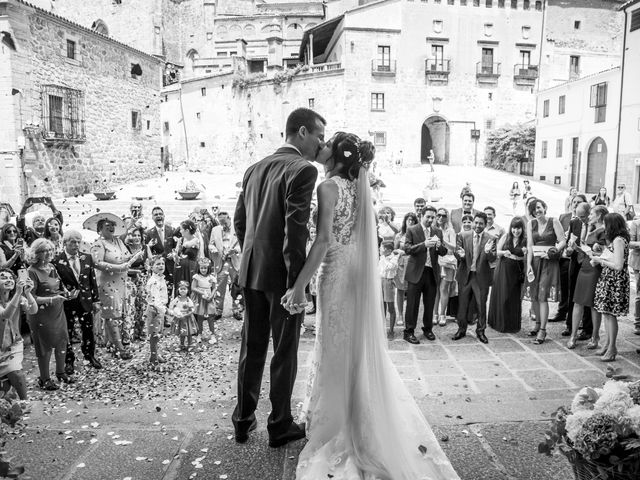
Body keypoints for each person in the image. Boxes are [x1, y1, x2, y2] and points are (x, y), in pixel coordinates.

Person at [281, 132, 459, 480]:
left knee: (334, 345)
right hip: (357, 272)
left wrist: (300, 284)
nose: (323, 146)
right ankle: (354, 410)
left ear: (339, 155)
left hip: (334, 272)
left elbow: (323, 240)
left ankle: (338, 421)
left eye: (328, 142)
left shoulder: (328, 187)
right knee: (354, 346)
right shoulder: (358, 189)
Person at [232, 107, 325, 447]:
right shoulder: (303, 170)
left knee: (250, 349)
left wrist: (251, 258)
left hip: (252, 271)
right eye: (318, 136)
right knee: (284, 352)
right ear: (301, 132)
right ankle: (280, 425)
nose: (320, 144)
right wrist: (296, 286)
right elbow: (295, 232)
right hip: (281, 278)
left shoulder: (253, 169)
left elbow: (240, 222)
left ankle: (242, 421)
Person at [91, 215, 143, 360]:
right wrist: (119, 267)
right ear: (100, 229)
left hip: (120, 282)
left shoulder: (119, 241)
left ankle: (111, 343)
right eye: (107, 226)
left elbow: (126, 257)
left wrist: (135, 255)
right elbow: (97, 263)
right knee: (111, 316)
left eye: (112, 225)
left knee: (117, 314)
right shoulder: (98, 244)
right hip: (106, 283)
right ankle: (120, 348)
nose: (111, 228)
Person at [27, 238, 76, 390]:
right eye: (43, 251)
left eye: (50, 250)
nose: (48, 253)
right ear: (36, 253)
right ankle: (44, 378)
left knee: (62, 341)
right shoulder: (31, 271)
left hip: (58, 311)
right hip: (40, 313)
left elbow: (58, 287)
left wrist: (67, 293)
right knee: (45, 346)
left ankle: (61, 373)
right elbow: (31, 297)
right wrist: (52, 299)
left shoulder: (52, 267)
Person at [54, 230, 102, 374]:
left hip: (85, 300)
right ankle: (69, 360)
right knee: (67, 331)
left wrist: (96, 300)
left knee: (88, 329)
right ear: (65, 243)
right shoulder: (57, 260)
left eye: (78, 242)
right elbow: (56, 282)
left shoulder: (86, 258)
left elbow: (92, 280)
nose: (76, 245)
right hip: (67, 302)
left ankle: (90, 355)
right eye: (72, 242)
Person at [403, 205, 447, 344]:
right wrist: (424, 245)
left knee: (429, 303)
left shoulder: (438, 231)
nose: (430, 219)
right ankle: (409, 331)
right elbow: (407, 249)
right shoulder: (412, 230)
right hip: (416, 272)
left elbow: (443, 252)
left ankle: (428, 329)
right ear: (421, 216)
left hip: (431, 272)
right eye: (428, 217)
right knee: (412, 304)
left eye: (433, 217)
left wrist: (439, 246)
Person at [565, 205, 607, 349]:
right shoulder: (591, 229)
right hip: (584, 267)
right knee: (578, 301)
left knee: (593, 304)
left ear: (599, 215)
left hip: (595, 268)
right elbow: (585, 249)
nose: (589, 217)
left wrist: (594, 250)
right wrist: (576, 248)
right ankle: (573, 336)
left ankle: (595, 337)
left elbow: (604, 252)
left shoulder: (604, 231)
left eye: (592, 214)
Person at [525, 199, 566, 344]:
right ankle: (536, 324)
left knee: (542, 295)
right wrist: (529, 264)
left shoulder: (554, 221)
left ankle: (543, 330)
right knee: (534, 295)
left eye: (539, 207)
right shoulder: (531, 224)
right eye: (534, 209)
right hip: (535, 262)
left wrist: (553, 251)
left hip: (549, 262)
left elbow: (562, 241)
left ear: (544, 207)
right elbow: (530, 245)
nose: (537, 211)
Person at [592, 213, 630, 361]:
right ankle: (607, 344)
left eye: (606, 224)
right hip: (609, 279)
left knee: (610, 314)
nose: (604, 227)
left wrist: (600, 261)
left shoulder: (619, 240)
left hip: (615, 280)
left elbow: (618, 265)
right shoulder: (616, 240)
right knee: (606, 313)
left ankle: (612, 347)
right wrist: (600, 255)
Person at [453, 212, 496, 343]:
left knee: (481, 305)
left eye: (480, 223)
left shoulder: (491, 238)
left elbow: (493, 258)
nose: (477, 225)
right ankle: (461, 329)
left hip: (481, 277)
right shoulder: (462, 235)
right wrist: (459, 254)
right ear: (473, 222)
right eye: (476, 222)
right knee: (462, 304)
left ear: (485, 224)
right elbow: (457, 252)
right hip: (465, 275)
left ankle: (481, 331)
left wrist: (488, 252)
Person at [0, 269, 36, 400]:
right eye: (3, 277)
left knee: (17, 373)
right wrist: (18, 293)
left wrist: (27, 293)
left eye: (11, 277)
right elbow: (5, 315)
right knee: (4, 388)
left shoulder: (18, 297)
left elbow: (33, 310)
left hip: (13, 345)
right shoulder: (16, 296)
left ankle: (24, 403)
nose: (8, 279)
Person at [554, 194, 588, 325]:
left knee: (578, 291)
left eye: (579, 202)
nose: (575, 204)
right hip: (565, 257)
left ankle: (580, 320)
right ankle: (562, 312)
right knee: (565, 286)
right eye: (574, 202)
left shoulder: (586, 221)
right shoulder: (564, 217)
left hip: (579, 258)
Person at [488, 217, 526, 333]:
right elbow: (497, 252)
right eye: (514, 228)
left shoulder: (525, 240)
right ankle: (499, 322)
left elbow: (528, 257)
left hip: (516, 271)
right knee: (502, 295)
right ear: (511, 228)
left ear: (522, 229)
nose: (516, 231)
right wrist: (504, 252)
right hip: (503, 269)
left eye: (518, 228)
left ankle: (512, 324)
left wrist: (524, 253)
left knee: (513, 297)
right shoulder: (506, 237)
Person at [124, 226, 150, 344]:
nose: (137, 238)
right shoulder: (125, 248)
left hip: (142, 280)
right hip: (129, 280)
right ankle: (131, 333)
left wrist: (148, 266)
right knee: (131, 307)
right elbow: (123, 268)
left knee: (143, 306)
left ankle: (142, 331)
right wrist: (135, 271)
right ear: (129, 236)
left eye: (139, 235)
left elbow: (149, 263)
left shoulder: (145, 247)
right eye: (134, 235)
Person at [393, 212, 418, 328]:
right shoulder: (400, 235)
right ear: (405, 221)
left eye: (413, 220)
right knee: (400, 290)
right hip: (402, 264)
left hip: (413, 265)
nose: (411, 222)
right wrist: (400, 251)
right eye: (409, 220)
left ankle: (410, 316)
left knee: (412, 291)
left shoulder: (417, 235)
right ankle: (400, 315)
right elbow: (394, 250)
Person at [145, 207, 177, 295]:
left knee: (170, 291)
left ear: (164, 216)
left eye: (160, 214)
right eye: (156, 214)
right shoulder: (149, 233)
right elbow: (148, 252)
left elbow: (177, 248)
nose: (158, 216)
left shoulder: (172, 230)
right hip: (158, 267)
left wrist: (173, 254)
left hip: (170, 266)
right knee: (157, 292)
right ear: (152, 218)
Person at [435, 207, 457, 327]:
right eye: (439, 215)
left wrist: (443, 240)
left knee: (444, 289)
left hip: (447, 262)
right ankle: (435, 314)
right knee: (435, 289)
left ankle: (442, 314)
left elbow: (453, 247)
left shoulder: (450, 231)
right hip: (435, 262)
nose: (440, 218)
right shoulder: (433, 229)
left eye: (443, 216)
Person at [145, 255, 169, 364]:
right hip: (155, 310)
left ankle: (155, 354)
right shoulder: (154, 281)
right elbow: (155, 300)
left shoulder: (160, 278)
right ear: (151, 267)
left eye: (162, 264)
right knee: (154, 334)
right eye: (158, 264)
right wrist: (166, 310)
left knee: (158, 333)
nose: (161, 266)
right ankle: (153, 356)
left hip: (159, 309)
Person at [190, 257, 218, 344]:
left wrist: (211, 296)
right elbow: (193, 287)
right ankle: (199, 333)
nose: (203, 270)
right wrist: (202, 292)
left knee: (210, 316)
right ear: (199, 268)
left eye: (205, 268)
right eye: (201, 268)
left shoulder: (211, 277)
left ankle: (212, 334)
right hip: (200, 298)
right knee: (200, 317)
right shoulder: (196, 277)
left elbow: (214, 288)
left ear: (208, 268)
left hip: (209, 298)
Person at [169, 280, 197, 351]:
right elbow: (171, 306)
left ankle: (190, 344)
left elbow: (192, 309)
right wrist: (175, 313)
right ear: (178, 290)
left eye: (184, 289)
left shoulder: (188, 300)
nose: (183, 290)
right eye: (181, 289)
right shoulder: (176, 300)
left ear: (187, 290)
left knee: (189, 332)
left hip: (188, 318)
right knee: (182, 332)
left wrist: (187, 314)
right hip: (180, 318)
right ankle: (181, 344)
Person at [379, 241, 400, 338]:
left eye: (382, 248)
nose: (380, 249)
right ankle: (382, 328)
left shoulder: (394, 258)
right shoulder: (382, 258)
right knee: (382, 307)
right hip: (381, 281)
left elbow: (389, 267)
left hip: (388, 282)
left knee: (390, 307)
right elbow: (379, 270)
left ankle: (391, 330)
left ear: (389, 250)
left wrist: (384, 258)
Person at [173, 220, 200, 295]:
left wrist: (182, 246)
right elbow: (176, 252)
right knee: (179, 288)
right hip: (179, 268)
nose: (180, 231)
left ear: (187, 230)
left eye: (181, 229)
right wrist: (175, 256)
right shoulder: (181, 239)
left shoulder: (196, 240)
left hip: (190, 269)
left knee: (189, 287)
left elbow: (187, 245)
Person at [630, 217, 640, 335]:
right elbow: (630, 243)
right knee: (639, 294)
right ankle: (638, 323)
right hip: (638, 263)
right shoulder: (636, 224)